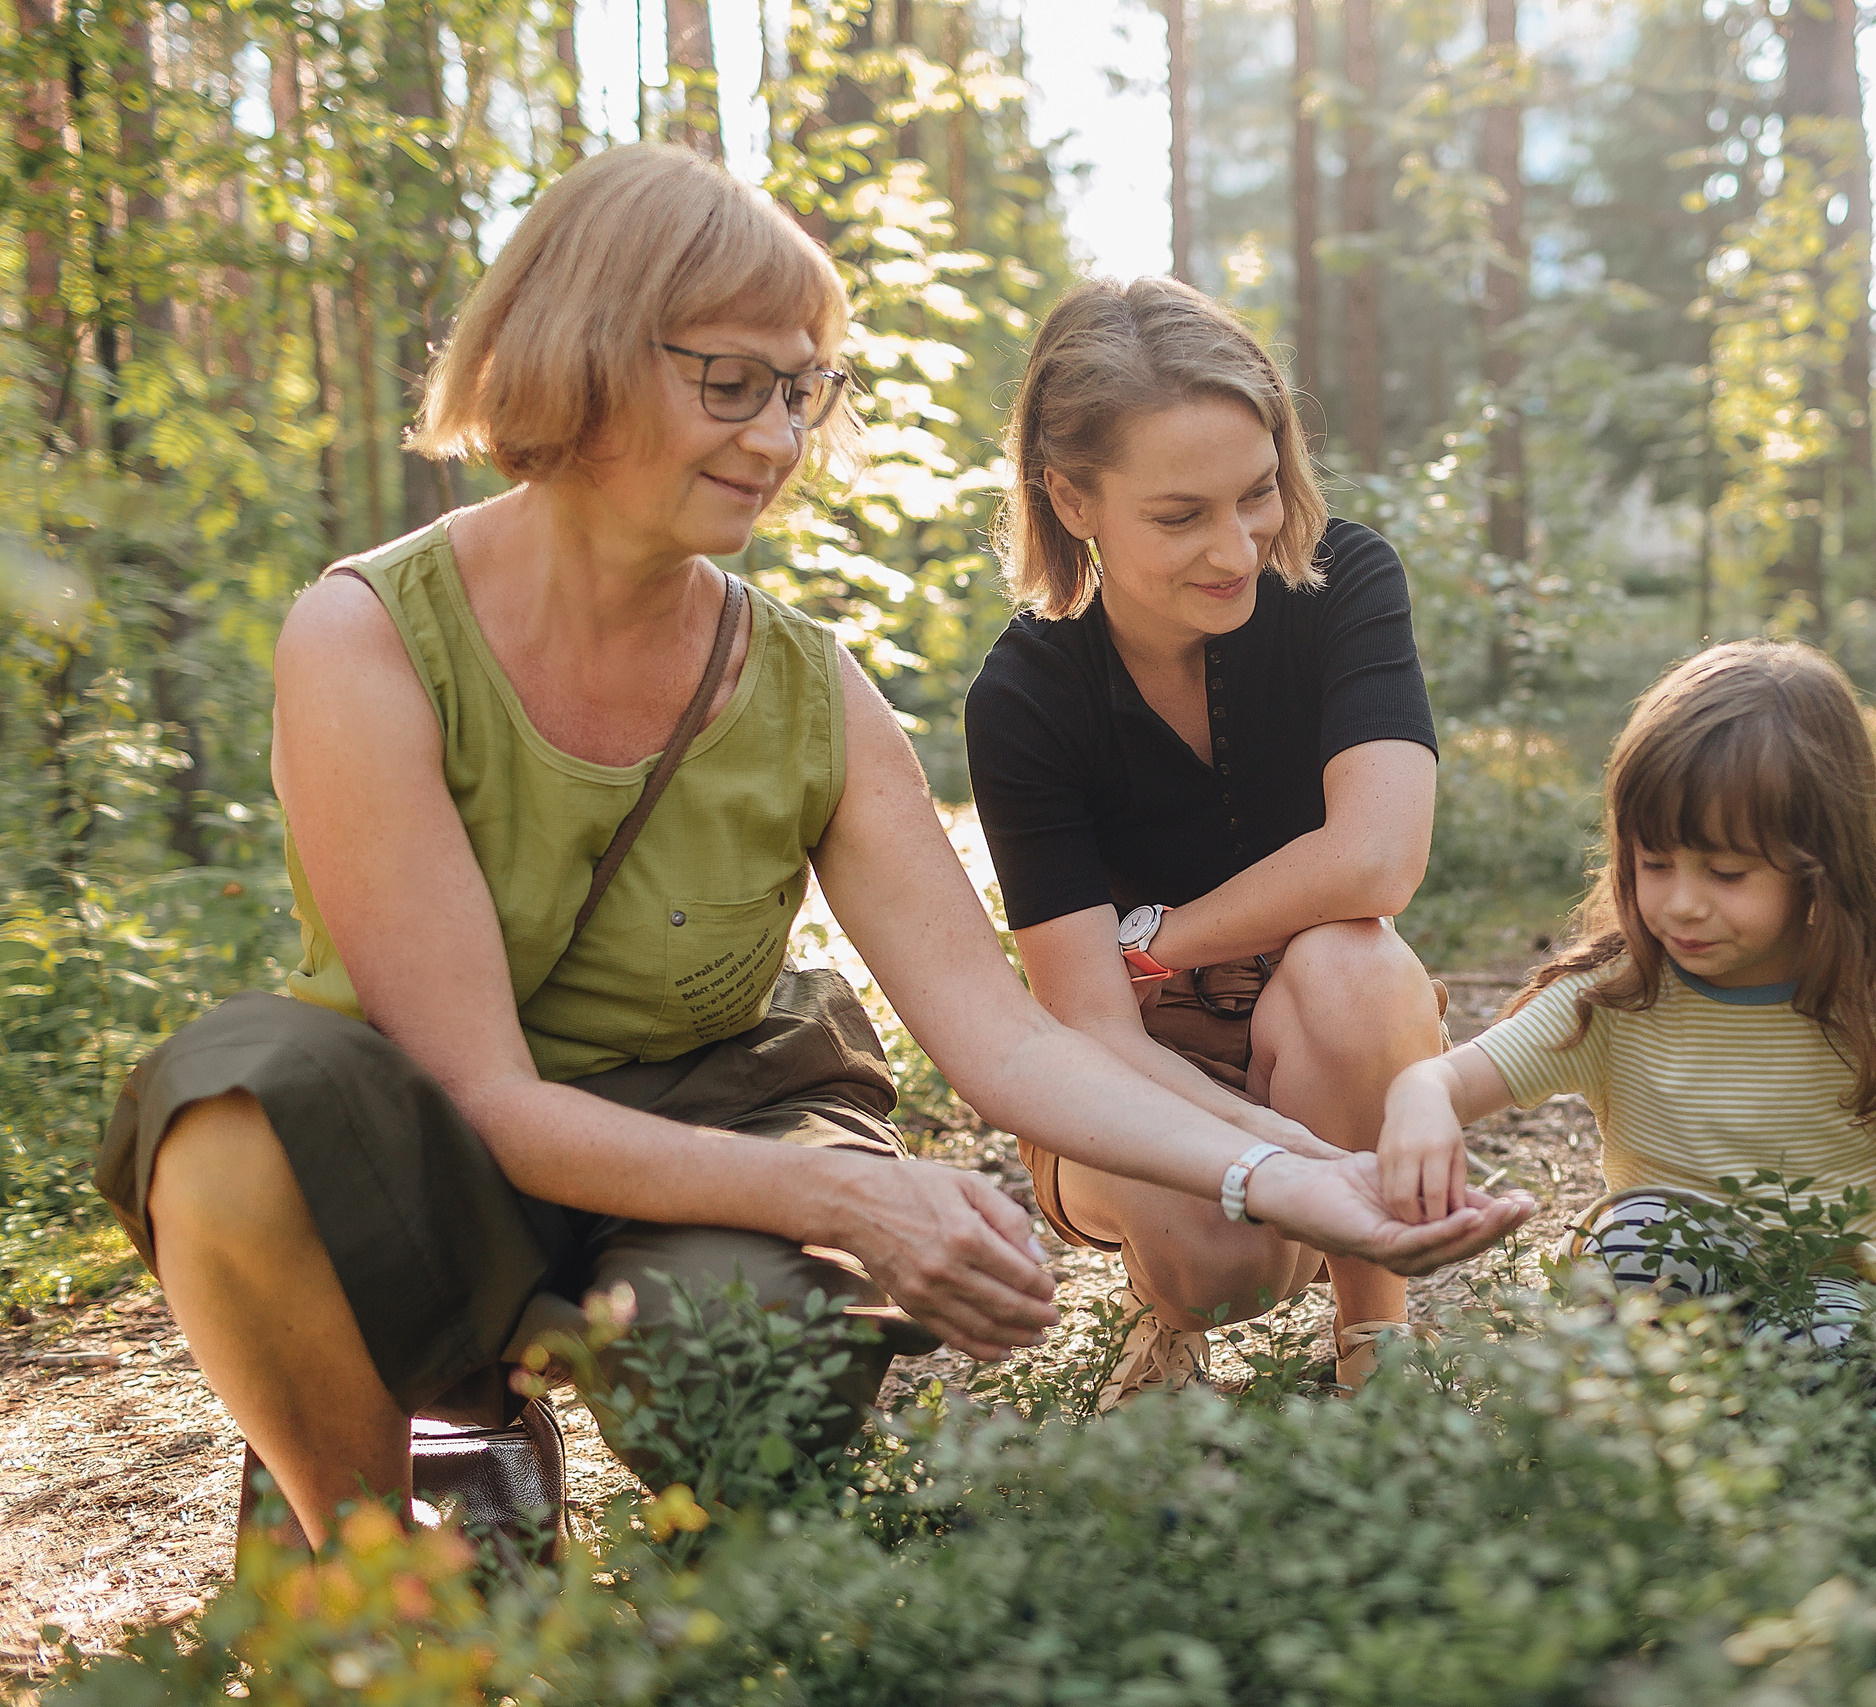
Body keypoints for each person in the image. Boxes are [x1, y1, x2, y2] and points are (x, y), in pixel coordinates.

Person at [90, 146, 1530, 1546]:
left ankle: (661, 1527)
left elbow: (1013, 1045)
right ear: (579, 349)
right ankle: (367, 1564)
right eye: (729, 384)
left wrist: (1288, 1173)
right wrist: (852, 1190)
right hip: (437, 1140)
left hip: (708, 1115)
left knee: (750, 1364)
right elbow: (492, 1096)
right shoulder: (367, 635)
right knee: (237, 1112)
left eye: (799, 389)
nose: (777, 439)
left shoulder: (809, 685)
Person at [965, 278, 1464, 1405]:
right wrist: (1283, 1161)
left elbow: (1378, 859)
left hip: (1316, 1022)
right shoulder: (1025, 695)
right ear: (1071, 500)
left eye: (1257, 494)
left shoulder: (1344, 580)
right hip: (1128, 1060)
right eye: (1180, 516)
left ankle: (1375, 1338)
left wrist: (1155, 944)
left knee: (1355, 957)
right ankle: (1170, 1319)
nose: (1238, 548)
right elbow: (1088, 1021)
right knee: (1216, 1270)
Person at [1376, 639, 1876, 1345]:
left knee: (1832, 1339)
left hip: (1826, 1291)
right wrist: (1422, 1096)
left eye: (1726, 871)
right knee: (1638, 1241)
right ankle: (1633, 1418)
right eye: (1654, 863)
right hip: (1658, 1281)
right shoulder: (1616, 992)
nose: (1682, 903)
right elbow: (1453, 1079)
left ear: (1821, 864)